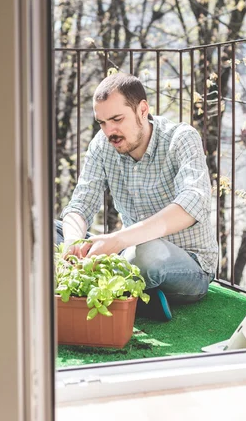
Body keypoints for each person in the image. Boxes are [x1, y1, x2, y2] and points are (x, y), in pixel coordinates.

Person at [56, 73, 218, 321]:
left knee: (144, 254)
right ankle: (135, 295)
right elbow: (81, 203)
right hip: (128, 253)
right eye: (102, 123)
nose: (110, 131)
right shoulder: (102, 145)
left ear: (142, 109)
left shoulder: (181, 138)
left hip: (189, 265)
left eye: (117, 119)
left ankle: (114, 291)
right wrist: (73, 243)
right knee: (48, 230)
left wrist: (117, 240)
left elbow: (191, 205)